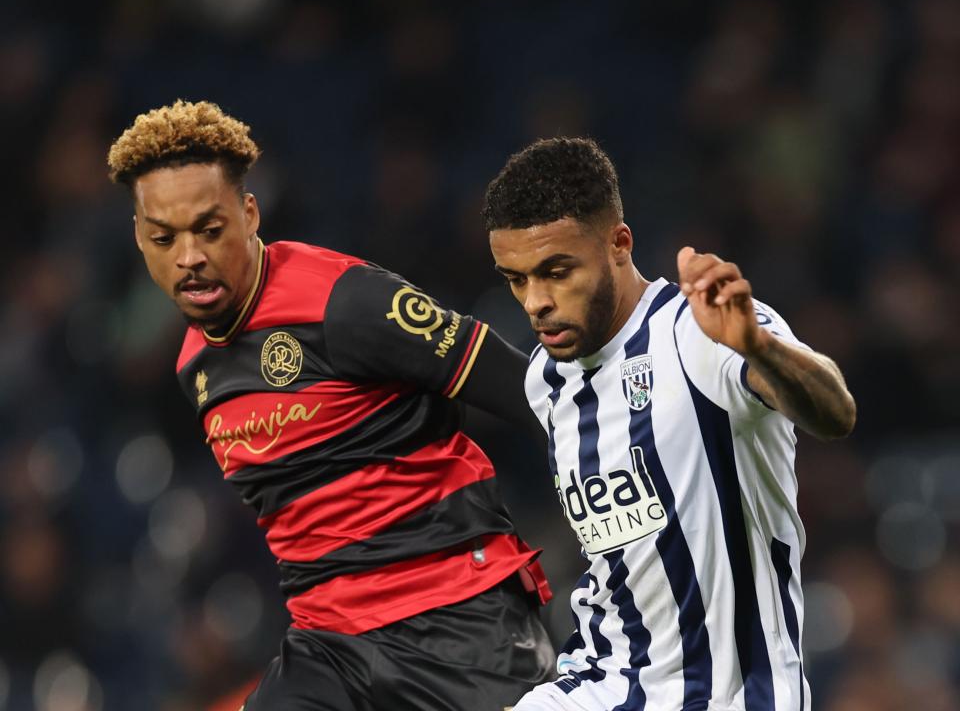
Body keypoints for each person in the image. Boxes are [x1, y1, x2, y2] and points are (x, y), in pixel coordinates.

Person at [106, 100, 555, 711]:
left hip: (459, 615)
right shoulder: (193, 366)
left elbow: (533, 394)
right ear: (139, 237)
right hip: (330, 644)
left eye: (209, 229)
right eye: (164, 238)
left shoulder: (343, 302)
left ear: (249, 212)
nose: (189, 257)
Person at [482, 137, 856, 711]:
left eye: (556, 272)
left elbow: (834, 413)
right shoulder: (546, 379)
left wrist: (757, 346)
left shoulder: (698, 333)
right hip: (599, 685)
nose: (535, 302)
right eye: (516, 279)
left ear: (618, 245)